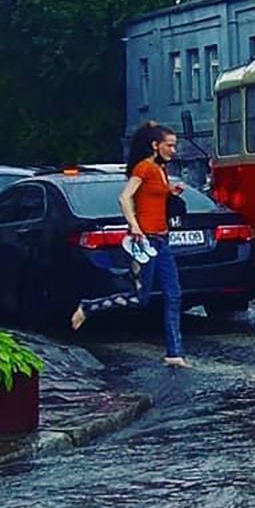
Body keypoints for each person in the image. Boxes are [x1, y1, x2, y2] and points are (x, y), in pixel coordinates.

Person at [70, 121, 189, 367]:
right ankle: (89, 307)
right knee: (139, 298)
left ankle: (174, 353)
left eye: (175, 145)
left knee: (174, 294)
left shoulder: (160, 170)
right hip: (144, 241)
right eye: (170, 145)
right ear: (156, 146)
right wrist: (134, 226)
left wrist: (171, 192)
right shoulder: (144, 168)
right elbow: (124, 198)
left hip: (162, 240)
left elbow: (154, 197)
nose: (173, 150)